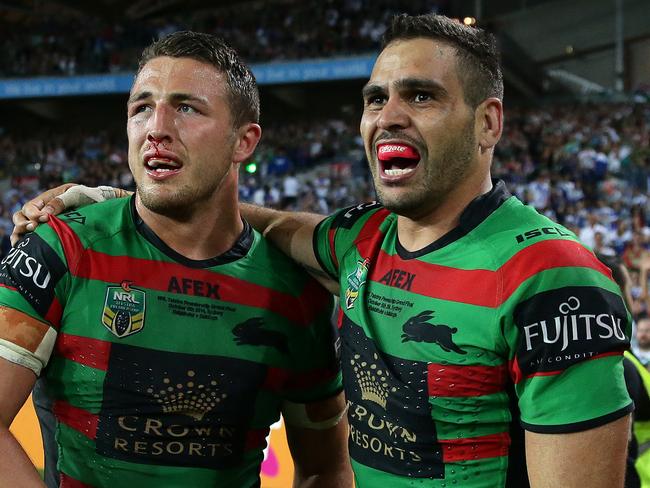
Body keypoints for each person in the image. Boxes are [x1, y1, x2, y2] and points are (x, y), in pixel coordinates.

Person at [14, 13, 633, 488]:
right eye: (375, 98)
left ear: (488, 123)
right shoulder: (358, 243)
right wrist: (124, 195)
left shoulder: (552, 280)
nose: (387, 116)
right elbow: (255, 219)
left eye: (420, 96)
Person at [0, 32, 351, 487]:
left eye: (187, 107)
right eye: (141, 107)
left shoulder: (296, 294)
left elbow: (325, 467)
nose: (156, 128)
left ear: (243, 142)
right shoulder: (61, 247)